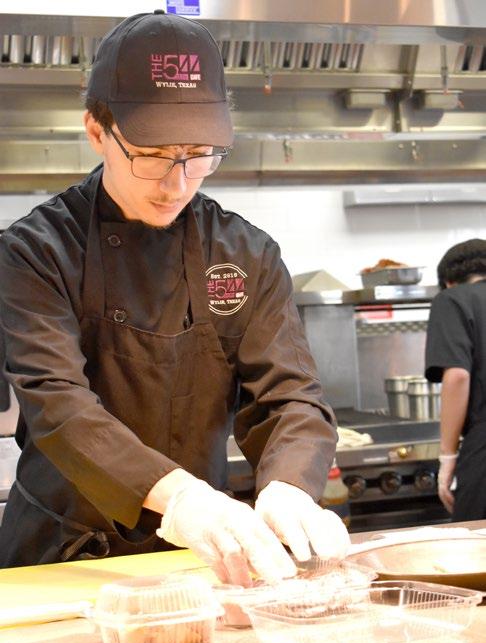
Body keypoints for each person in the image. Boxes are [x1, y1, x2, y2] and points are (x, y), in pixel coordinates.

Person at [0, 11, 349, 582]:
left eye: (200, 153)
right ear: (97, 131)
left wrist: (289, 485)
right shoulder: (35, 251)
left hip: (202, 557)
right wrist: (184, 498)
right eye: (153, 154)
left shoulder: (246, 253)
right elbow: (58, 406)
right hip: (62, 556)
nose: (177, 182)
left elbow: (290, 396)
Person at [425, 238, 486, 521]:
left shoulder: (452, 299)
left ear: (449, 282)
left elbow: (458, 376)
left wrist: (448, 457)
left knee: (475, 543)